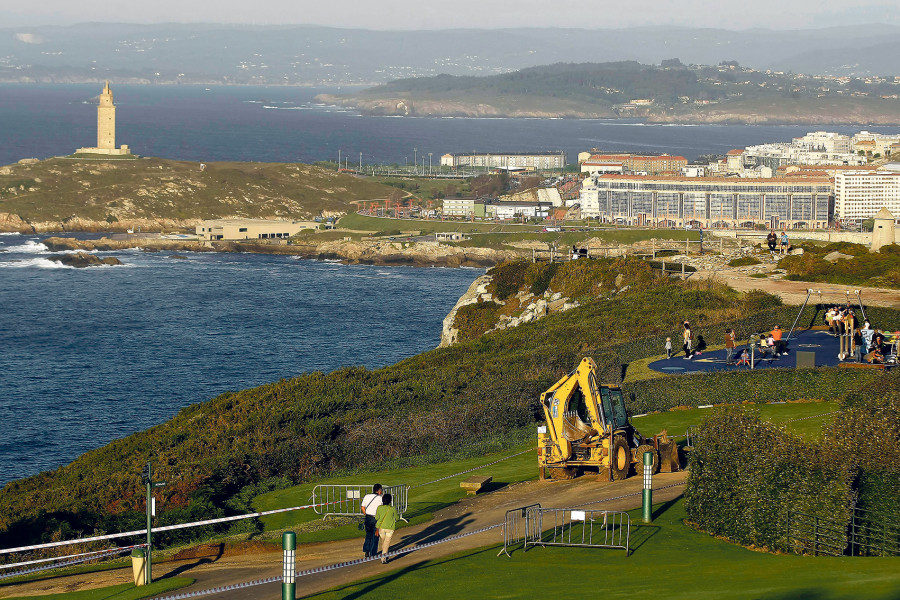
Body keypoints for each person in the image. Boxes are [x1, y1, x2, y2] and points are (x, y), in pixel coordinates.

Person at [375, 493, 400, 564]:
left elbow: (377, 517)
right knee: (386, 543)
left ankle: (385, 555)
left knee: (384, 543)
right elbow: (397, 518)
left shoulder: (379, 508)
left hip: (381, 527)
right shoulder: (392, 508)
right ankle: (383, 558)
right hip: (390, 528)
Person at [361, 484, 384, 558]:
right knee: (375, 535)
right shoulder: (380, 498)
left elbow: (363, 508)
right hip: (375, 518)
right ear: (379, 490)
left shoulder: (367, 496)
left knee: (368, 534)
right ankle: (373, 553)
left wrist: (366, 514)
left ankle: (366, 551)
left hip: (368, 517)